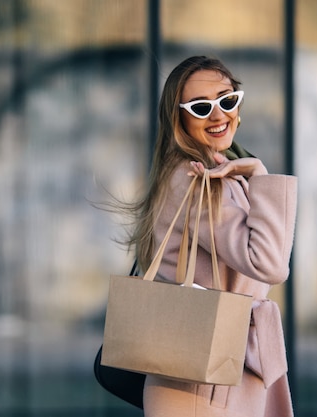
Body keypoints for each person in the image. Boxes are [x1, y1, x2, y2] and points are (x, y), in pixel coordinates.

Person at [126, 56, 297, 416]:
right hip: (202, 381)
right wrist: (262, 174)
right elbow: (269, 265)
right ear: (179, 118)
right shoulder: (194, 178)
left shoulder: (220, 171)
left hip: (222, 369)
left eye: (227, 99)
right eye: (201, 107)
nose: (218, 115)